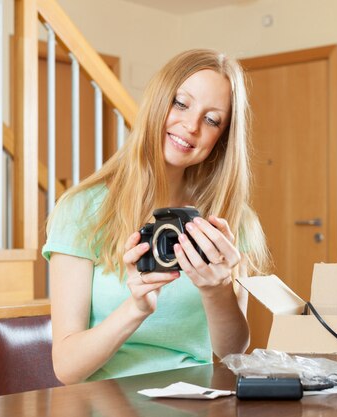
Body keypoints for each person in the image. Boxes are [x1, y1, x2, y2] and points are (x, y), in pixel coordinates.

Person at [42, 49, 271, 385]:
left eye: (212, 120)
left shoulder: (232, 219)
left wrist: (217, 291)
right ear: (157, 102)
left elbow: (231, 355)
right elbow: (66, 368)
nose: (191, 126)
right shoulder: (81, 209)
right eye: (181, 103)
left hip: (197, 401)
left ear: (221, 138)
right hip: (106, 402)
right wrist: (135, 308)